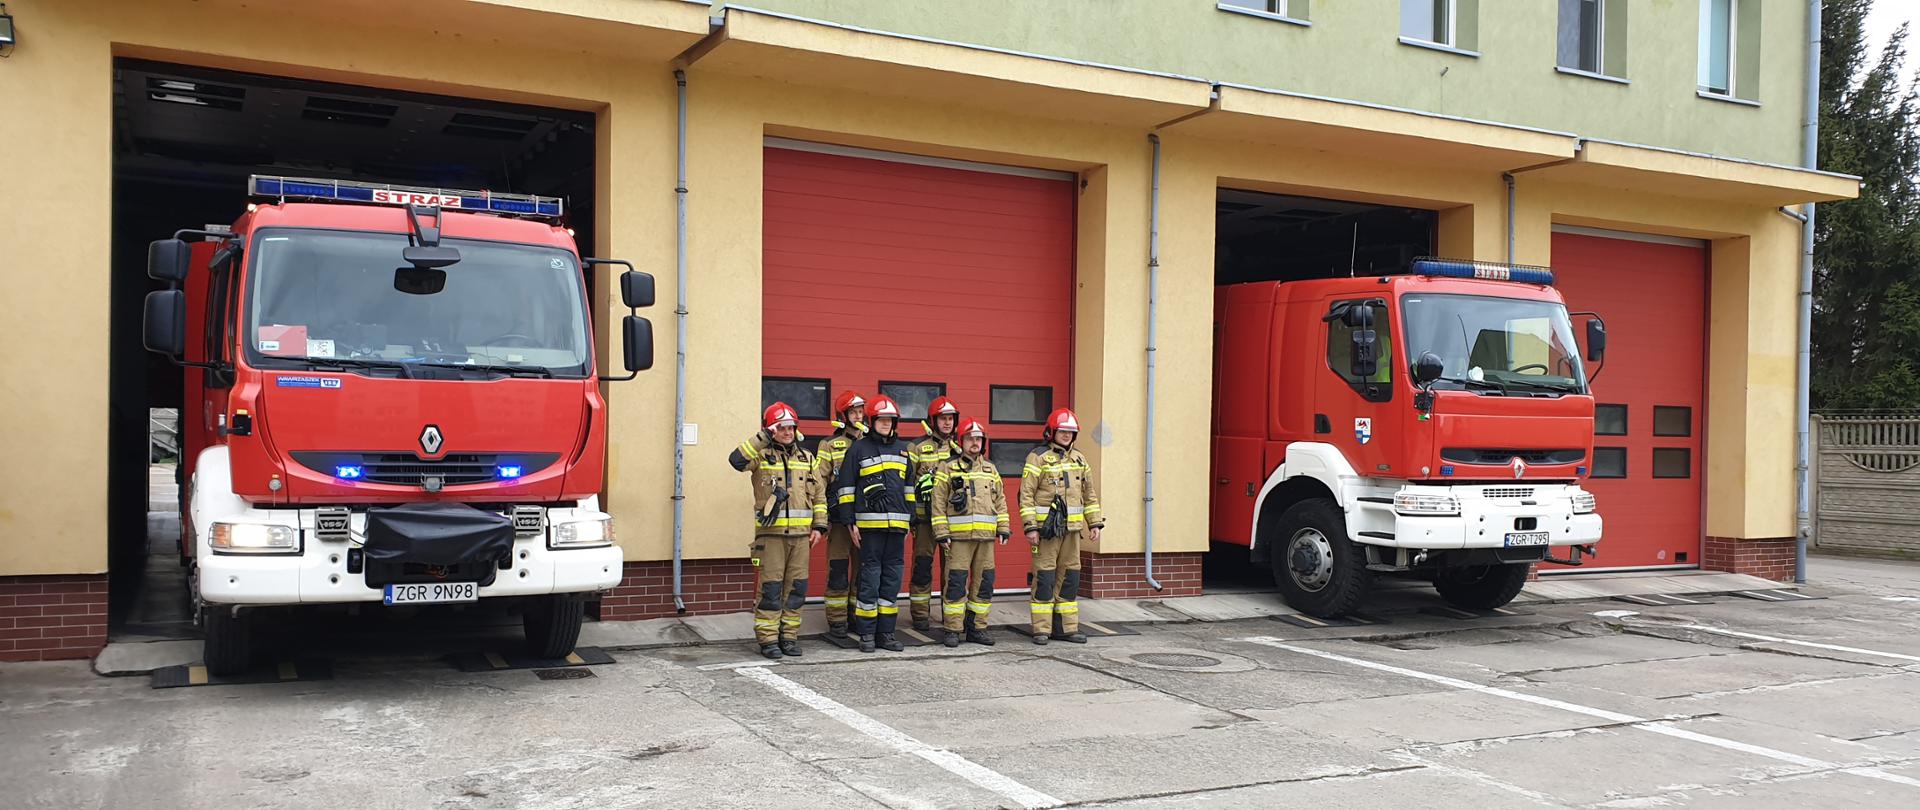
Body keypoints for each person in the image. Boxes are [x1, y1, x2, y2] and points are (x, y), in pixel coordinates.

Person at [728, 403, 827, 659]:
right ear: (772, 429)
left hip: (801, 538)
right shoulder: (760, 456)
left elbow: (819, 495)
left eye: (790, 426)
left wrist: (819, 526)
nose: (787, 431)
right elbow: (736, 460)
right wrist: (763, 437)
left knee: (796, 589)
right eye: (781, 427)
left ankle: (789, 637)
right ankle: (768, 639)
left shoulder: (808, 458)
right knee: (771, 589)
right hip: (770, 538)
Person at [832, 395, 914, 653]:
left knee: (892, 580)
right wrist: (849, 522)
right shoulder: (858, 449)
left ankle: (886, 634)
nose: (886, 424)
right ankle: (867, 633)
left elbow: (909, 487)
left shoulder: (903, 450)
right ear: (872, 421)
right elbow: (845, 488)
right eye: (882, 419)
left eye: (890, 420)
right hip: (869, 527)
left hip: (897, 528)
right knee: (869, 578)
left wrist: (910, 517)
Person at [1020, 407, 1103, 644]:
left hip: (1072, 532)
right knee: (1045, 578)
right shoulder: (1037, 457)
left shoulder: (1079, 459)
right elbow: (1026, 495)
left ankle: (1066, 629)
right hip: (1046, 532)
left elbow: (1090, 494)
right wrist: (1030, 527)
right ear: (1052, 432)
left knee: (1069, 579)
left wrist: (1094, 523)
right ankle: (1042, 630)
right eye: (1062, 431)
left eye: (1070, 432)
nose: (1066, 435)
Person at [931, 418, 1008, 647]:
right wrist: (941, 533)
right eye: (970, 438)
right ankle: (953, 629)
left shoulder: (990, 469)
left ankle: (977, 628)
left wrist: (1003, 527)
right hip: (958, 539)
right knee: (955, 583)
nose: (974, 443)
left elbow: (1001, 501)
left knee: (984, 584)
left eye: (978, 439)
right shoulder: (948, 467)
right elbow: (938, 502)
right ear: (961, 441)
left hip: (986, 539)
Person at [906, 396, 962, 631]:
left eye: (950, 419)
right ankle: (920, 614)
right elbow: (907, 483)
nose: (947, 423)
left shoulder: (960, 448)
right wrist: (910, 514)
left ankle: (951, 616)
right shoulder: (917, 447)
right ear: (933, 420)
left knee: (953, 570)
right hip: (924, 520)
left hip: (952, 521)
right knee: (922, 565)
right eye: (943, 419)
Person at [815, 390, 867, 638]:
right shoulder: (828, 445)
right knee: (837, 569)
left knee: (862, 570)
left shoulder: (870, 443)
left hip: (866, 519)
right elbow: (818, 482)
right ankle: (836, 621)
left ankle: (855, 616)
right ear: (842, 416)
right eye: (853, 411)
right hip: (838, 520)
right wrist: (821, 520)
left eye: (860, 411)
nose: (858, 415)